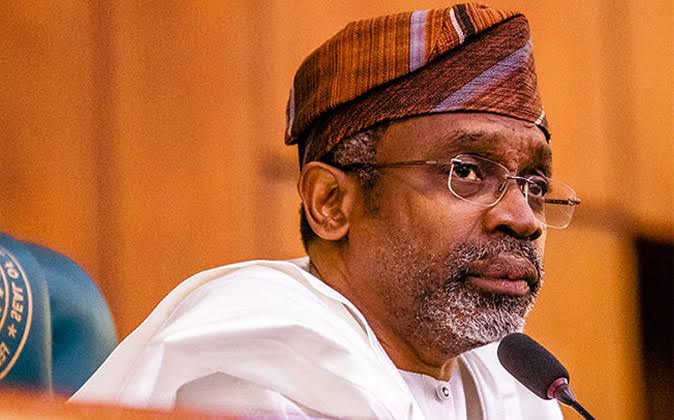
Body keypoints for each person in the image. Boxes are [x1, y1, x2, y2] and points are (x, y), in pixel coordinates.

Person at [71, 3, 582, 419]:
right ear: (330, 202)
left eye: (535, 186)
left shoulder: (514, 384)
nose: (524, 219)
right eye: (466, 171)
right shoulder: (260, 357)